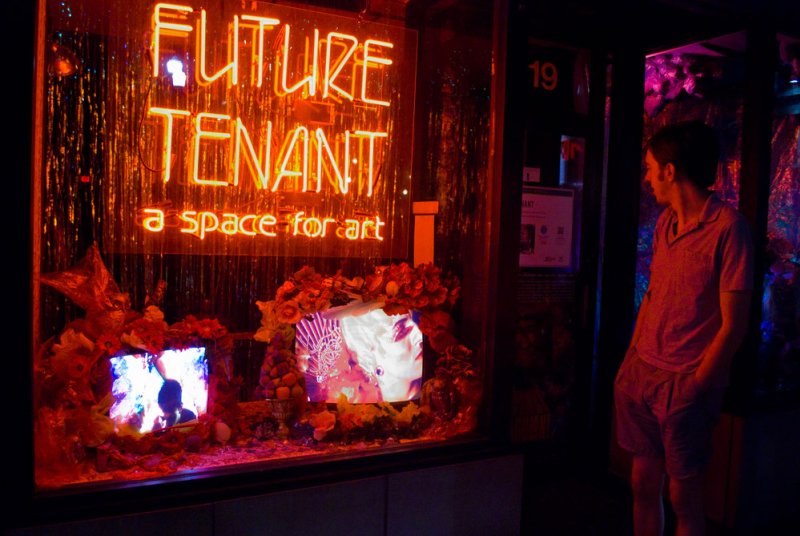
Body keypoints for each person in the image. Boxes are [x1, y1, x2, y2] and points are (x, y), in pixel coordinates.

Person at [613, 120, 754, 536]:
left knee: (684, 499)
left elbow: (735, 325)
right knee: (641, 482)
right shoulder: (664, 224)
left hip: (685, 382)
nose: (647, 178)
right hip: (643, 373)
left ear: (671, 171)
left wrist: (696, 385)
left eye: (650, 168)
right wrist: (629, 361)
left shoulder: (729, 229)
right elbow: (654, 295)